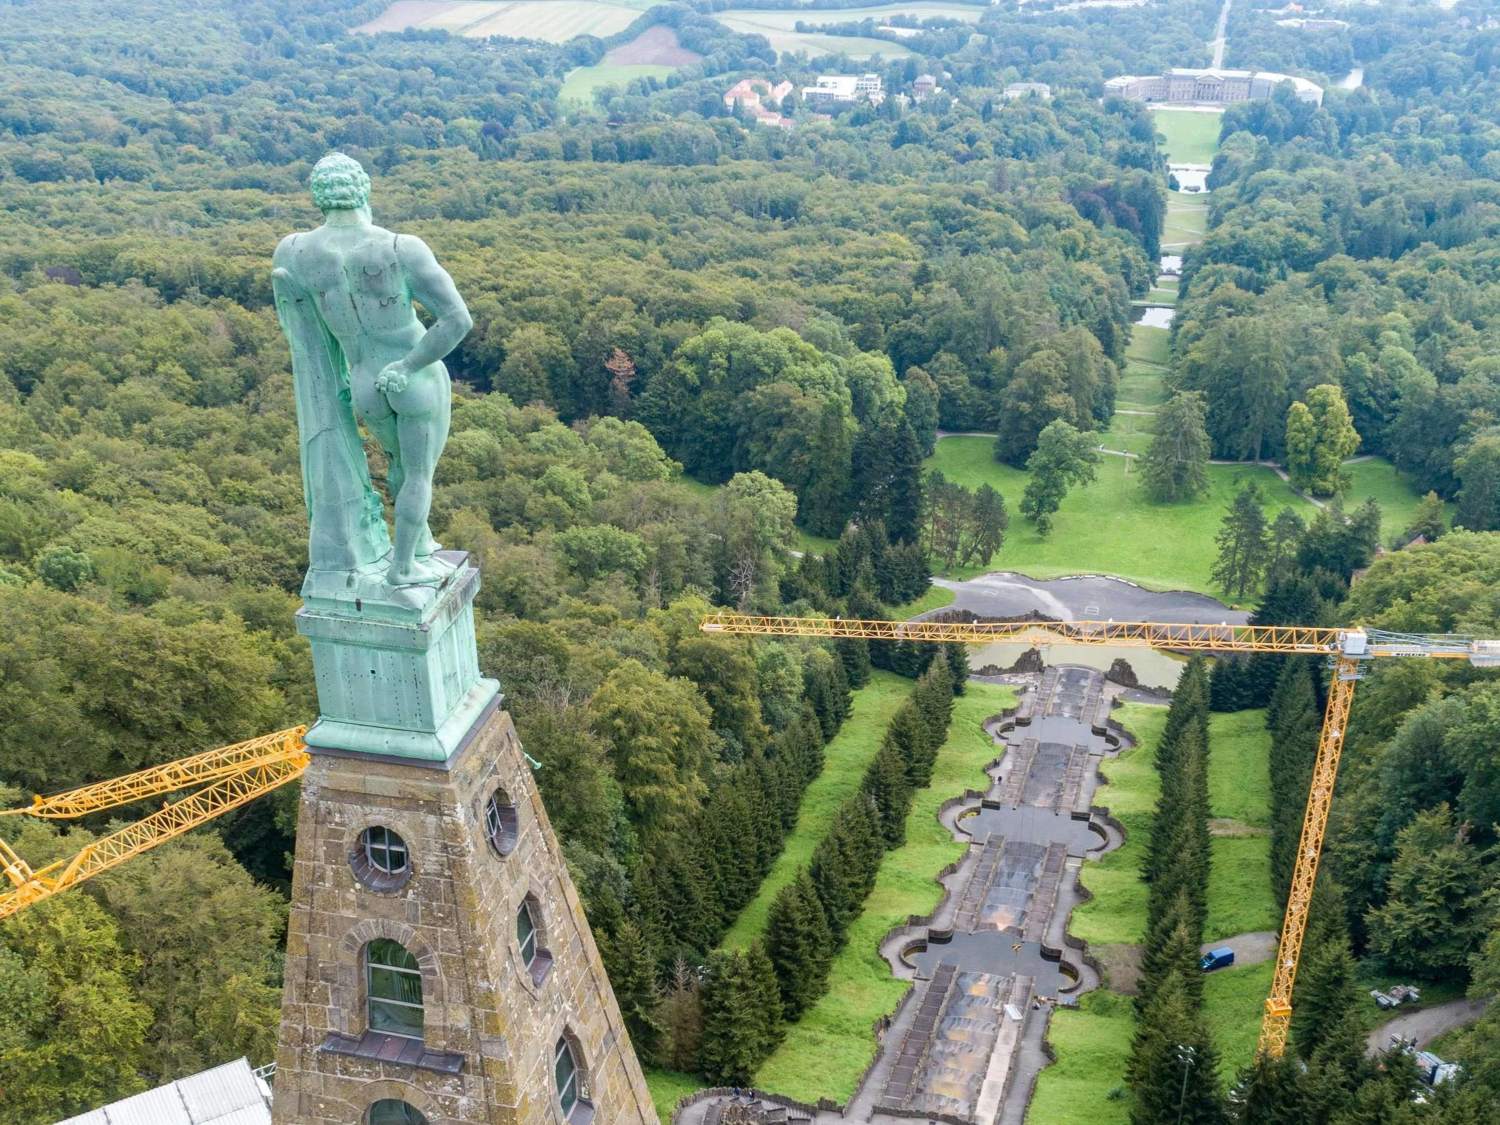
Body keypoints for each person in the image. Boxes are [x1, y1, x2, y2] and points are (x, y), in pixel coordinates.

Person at [272, 152, 472, 586]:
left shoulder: (298, 252)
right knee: (419, 474)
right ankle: (403, 568)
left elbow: (298, 319)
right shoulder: (400, 247)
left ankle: (418, 543)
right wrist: (409, 364)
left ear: (319, 196)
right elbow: (457, 319)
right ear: (363, 188)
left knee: (398, 462)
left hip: (362, 382)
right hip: (411, 375)